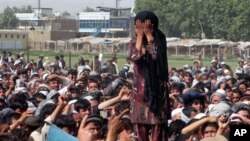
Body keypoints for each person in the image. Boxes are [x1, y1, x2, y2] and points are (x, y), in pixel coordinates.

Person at [128, 11, 169, 141]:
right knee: (140, 132)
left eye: (145, 26)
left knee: (158, 130)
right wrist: (140, 37)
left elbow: (156, 57)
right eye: (138, 26)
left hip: (157, 94)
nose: (141, 29)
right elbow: (135, 57)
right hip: (140, 94)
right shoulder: (134, 42)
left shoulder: (160, 41)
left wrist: (149, 36)